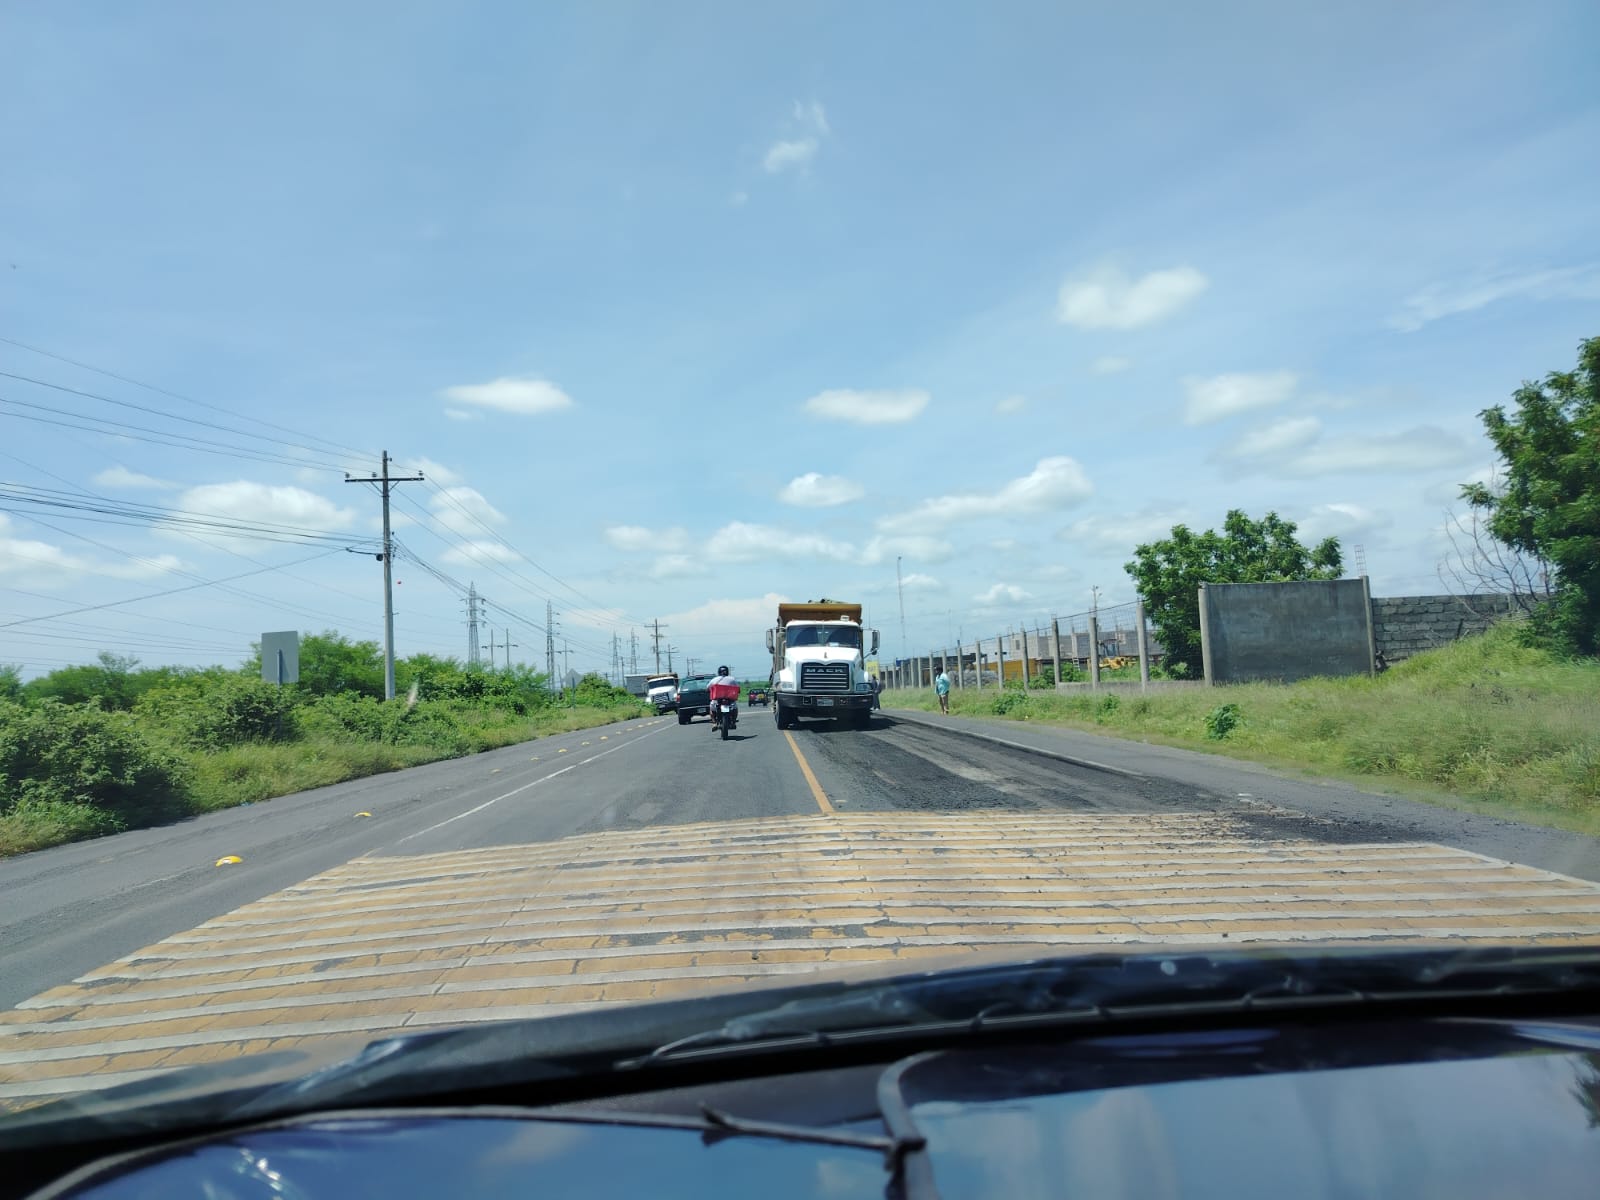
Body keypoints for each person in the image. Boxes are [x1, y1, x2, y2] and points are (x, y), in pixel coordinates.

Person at [708, 665, 740, 731]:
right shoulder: (732, 679)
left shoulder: (714, 679)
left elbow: (708, 687)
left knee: (711, 708)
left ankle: (714, 723)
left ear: (719, 672)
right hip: (729, 699)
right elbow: (738, 688)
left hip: (717, 699)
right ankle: (733, 722)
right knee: (735, 708)